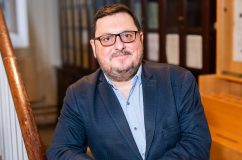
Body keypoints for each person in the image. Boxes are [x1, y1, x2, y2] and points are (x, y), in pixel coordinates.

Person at [47, 3, 211, 160]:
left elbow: (197, 144)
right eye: (107, 38)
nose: (119, 45)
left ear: (140, 38)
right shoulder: (79, 94)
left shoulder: (179, 81)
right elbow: (60, 151)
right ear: (94, 48)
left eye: (127, 35)